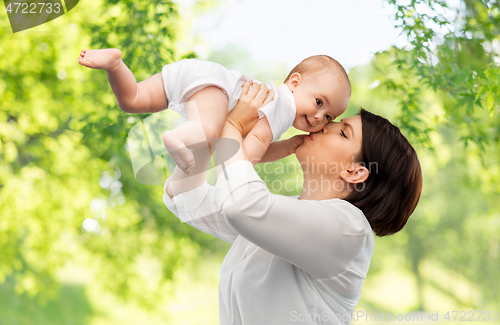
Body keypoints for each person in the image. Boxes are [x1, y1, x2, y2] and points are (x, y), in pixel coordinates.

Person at [162, 81, 423, 324]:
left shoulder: (350, 230)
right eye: (335, 120)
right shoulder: (282, 215)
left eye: (343, 132)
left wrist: (233, 127)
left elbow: (240, 205)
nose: (324, 125)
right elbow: (187, 200)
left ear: (355, 172)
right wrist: (212, 128)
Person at [78, 49, 351, 174]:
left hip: (193, 74)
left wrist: (288, 147)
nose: (319, 118)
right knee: (207, 132)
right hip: (214, 89)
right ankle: (176, 138)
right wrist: (242, 173)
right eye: (319, 103)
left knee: (132, 100)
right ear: (294, 83)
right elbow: (247, 154)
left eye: (328, 117)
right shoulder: (283, 105)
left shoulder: (275, 118)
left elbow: (257, 143)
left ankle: (114, 64)